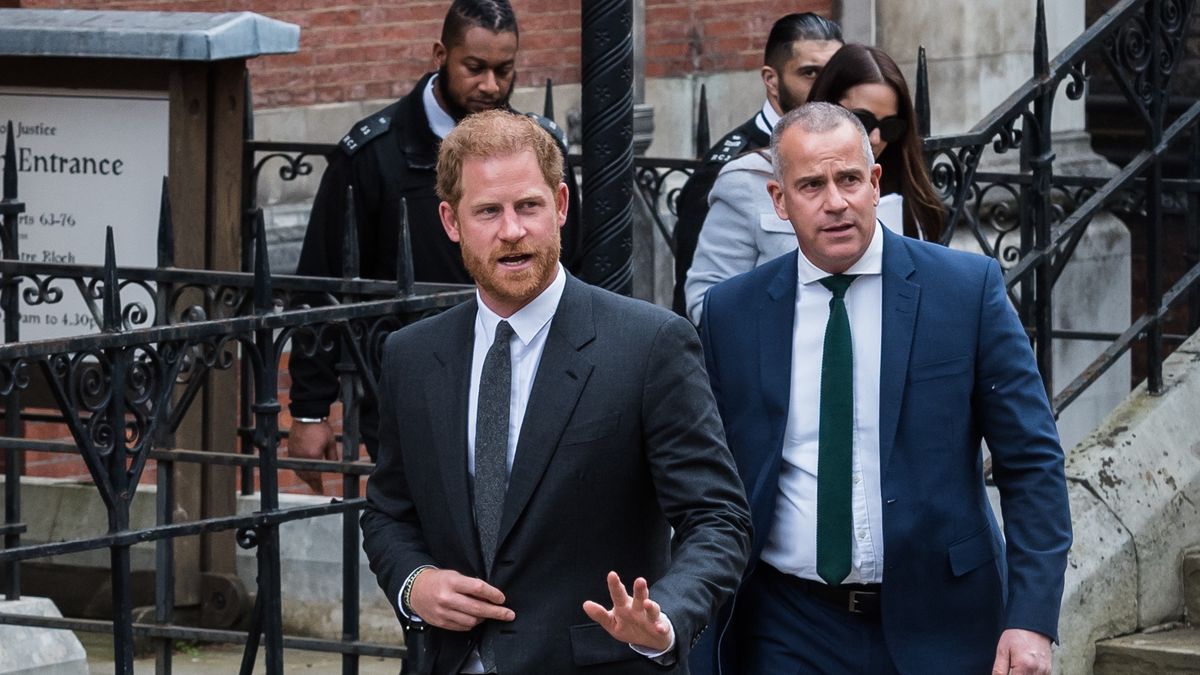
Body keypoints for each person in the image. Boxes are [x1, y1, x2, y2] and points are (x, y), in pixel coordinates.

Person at [360, 109, 751, 675]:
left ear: (561, 206)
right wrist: (413, 584)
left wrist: (666, 614)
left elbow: (719, 518)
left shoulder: (649, 345)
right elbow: (388, 513)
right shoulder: (412, 356)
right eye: (488, 211)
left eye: (529, 206)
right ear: (451, 221)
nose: (512, 230)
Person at [694, 103, 1071, 675]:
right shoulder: (732, 313)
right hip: (788, 625)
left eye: (848, 179)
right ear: (778, 201)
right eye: (811, 185)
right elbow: (707, 485)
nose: (835, 202)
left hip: (946, 621)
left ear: (874, 183)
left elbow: (1032, 460)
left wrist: (1032, 618)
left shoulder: (965, 291)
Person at [288, 0, 580, 488]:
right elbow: (322, 282)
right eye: (475, 68)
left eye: (504, 70)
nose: (491, 85)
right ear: (440, 54)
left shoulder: (535, 150)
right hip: (405, 388)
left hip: (529, 377)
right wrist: (310, 411)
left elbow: (578, 258)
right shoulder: (371, 155)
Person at [684, 42, 945, 325]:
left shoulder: (906, 182)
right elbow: (706, 301)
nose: (876, 138)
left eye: (891, 126)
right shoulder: (748, 179)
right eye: (862, 120)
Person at [670, 12, 842, 317]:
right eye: (810, 73)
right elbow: (696, 306)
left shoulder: (857, 146)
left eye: (835, 73)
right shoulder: (728, 169)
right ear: (772, 80)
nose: (826, 86)